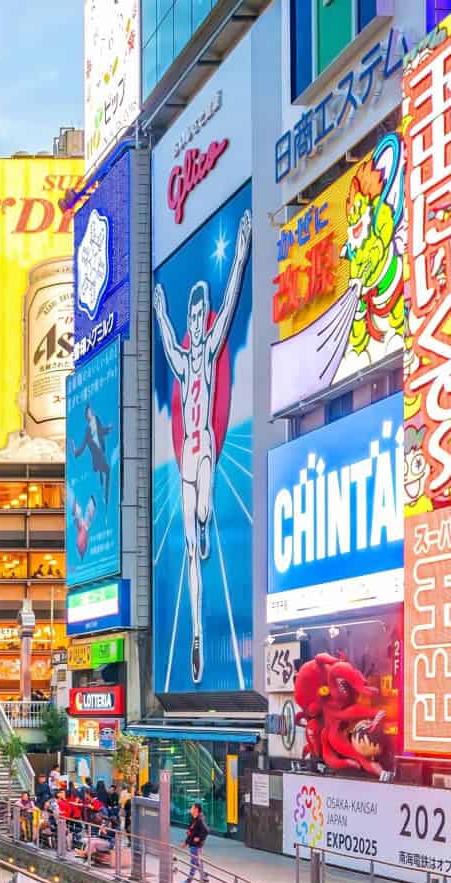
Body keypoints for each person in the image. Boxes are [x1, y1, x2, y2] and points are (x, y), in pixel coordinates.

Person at [153, 207, 253, 683]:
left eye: (198, 314)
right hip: (186, 458)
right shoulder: (182, 357)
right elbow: (166, 341)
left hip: (205, 446)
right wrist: (159, 310)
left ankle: (206, 522)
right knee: (191, 549)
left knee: (203, 512)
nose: (195, 321)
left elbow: (231, 304)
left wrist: (241, 252)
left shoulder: (209, 351)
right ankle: (195, 632)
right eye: (191, 316)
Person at [182, 803, 209, 883]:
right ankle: (204, 876)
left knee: (194, 862)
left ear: (196, 809)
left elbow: (206, 831)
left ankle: (189, 880)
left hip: (196, 845)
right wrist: (186, 842)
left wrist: (199, 839)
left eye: (192, 808)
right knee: (196, 862)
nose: (191, 809)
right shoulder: (193, 819)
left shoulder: (200, 820)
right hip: (192, 844)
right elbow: (190, 831)